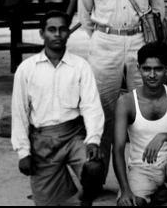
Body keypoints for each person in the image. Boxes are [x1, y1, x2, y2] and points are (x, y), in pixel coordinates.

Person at [78, 0, 165, 179]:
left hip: (140, 43)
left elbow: (158, 12)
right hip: (105, 45)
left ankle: (147, 178)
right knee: (100, 112)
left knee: (145, 111)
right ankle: (98, 174)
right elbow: (85, 16)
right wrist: (107, 37)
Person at [11, 11, 105, 206]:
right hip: (42, 142)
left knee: (95, 166)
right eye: (51, 30)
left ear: (68, 33)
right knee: (48, 203)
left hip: (73, 136)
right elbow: (20, 112)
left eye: (62, 29)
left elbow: (91, 106)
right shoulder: (27, 68)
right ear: (41, 33)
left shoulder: (80, 66)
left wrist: (93, 140)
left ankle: (87, 199)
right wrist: (23, 152)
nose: (57, 34)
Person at [113, 42, 167, 206]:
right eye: (146, 69)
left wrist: (163, 136)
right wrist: (125, 189)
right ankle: (156, 190)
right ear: (139, 69)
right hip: (142, 167)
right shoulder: (126, 102)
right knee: (128, 203)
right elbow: (117, 149)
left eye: (158, 69)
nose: (152, 74)